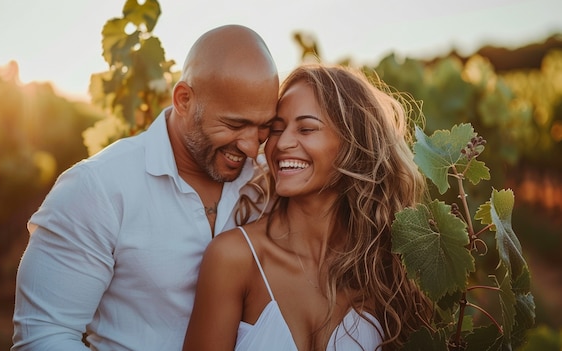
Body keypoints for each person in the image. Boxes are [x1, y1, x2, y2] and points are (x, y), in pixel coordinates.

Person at [11, 24, 280, 351]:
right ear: (184, 100)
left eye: (264, 127)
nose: (253, 148)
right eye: (234, 125)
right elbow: (44, 336)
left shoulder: (269, 183)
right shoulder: (98, 188)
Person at [183, 64, 433, 351]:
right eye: (277, 129)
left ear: (353, 144)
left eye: (306, 128)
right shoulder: (234, 258)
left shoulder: (386, 269)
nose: (283, 143)